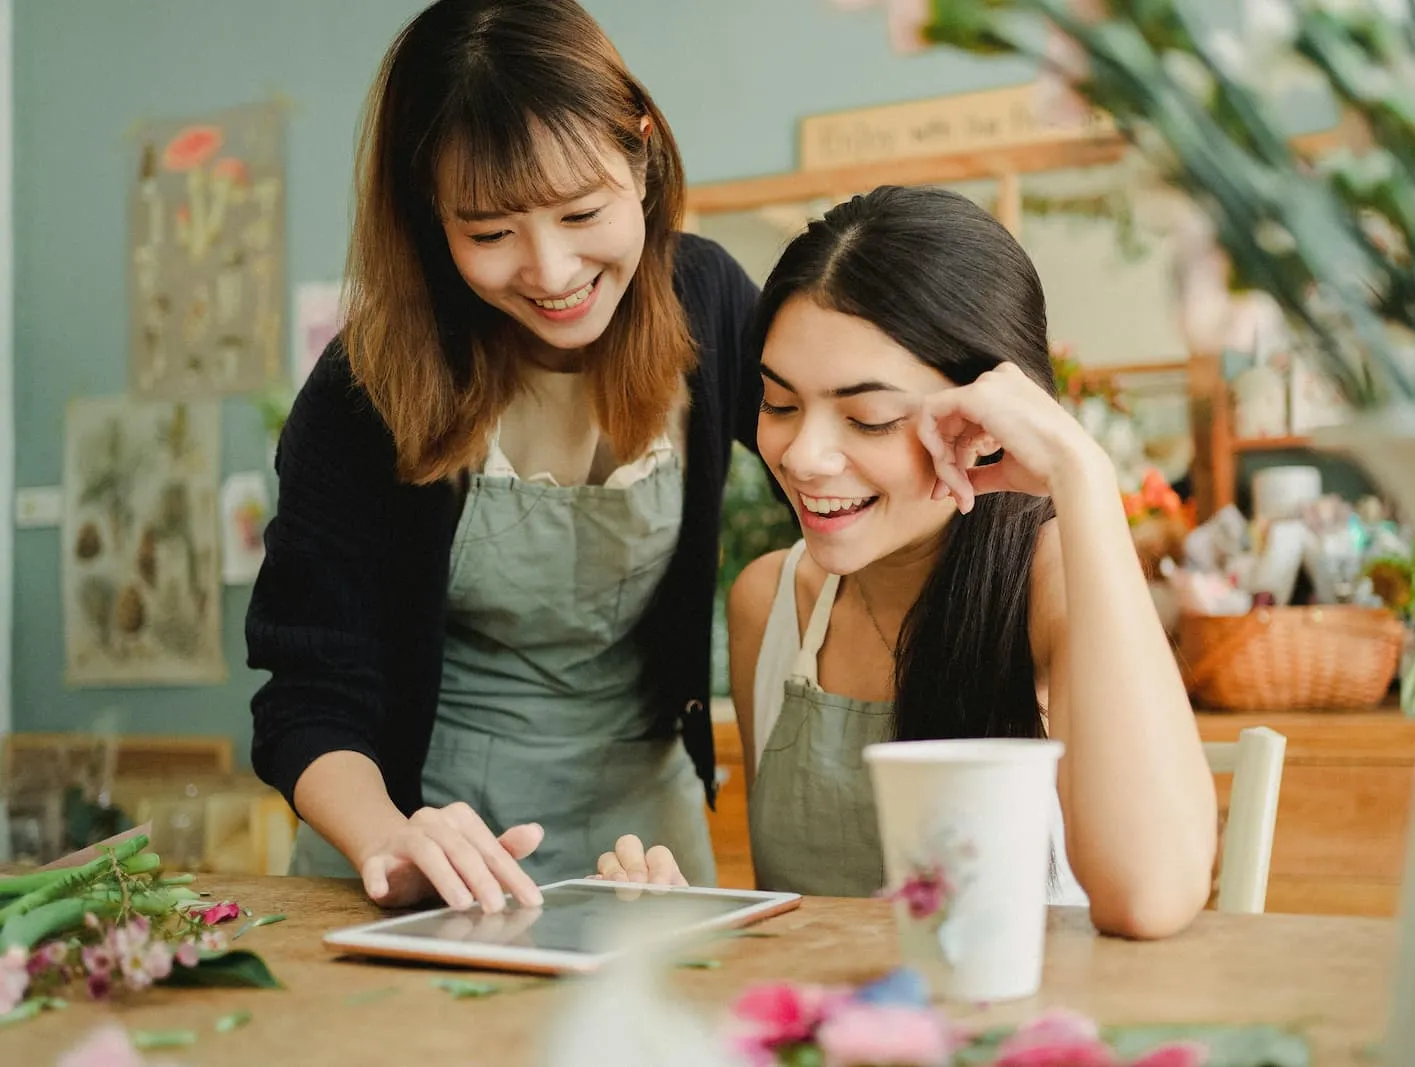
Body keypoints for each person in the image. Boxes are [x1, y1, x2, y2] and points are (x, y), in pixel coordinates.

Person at [246, 0, 764, 914]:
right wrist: (385, 836)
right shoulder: (366, 385)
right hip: (421, 821)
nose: (552, 270)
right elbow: (310, 692)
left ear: (641, 157)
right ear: (428, 214)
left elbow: (840, 458)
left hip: (643, 830)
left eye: (581, 211)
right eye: (490, 233)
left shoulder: (709, 303)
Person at [607, 186, 1217, 939]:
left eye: (870, 417)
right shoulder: (772, 605)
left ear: (988, 418)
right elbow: (799, 930)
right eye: (779, 403)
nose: (803, 455)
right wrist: (694, 921)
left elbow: (1148, 896)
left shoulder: (1051, 583)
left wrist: (1080, 473)